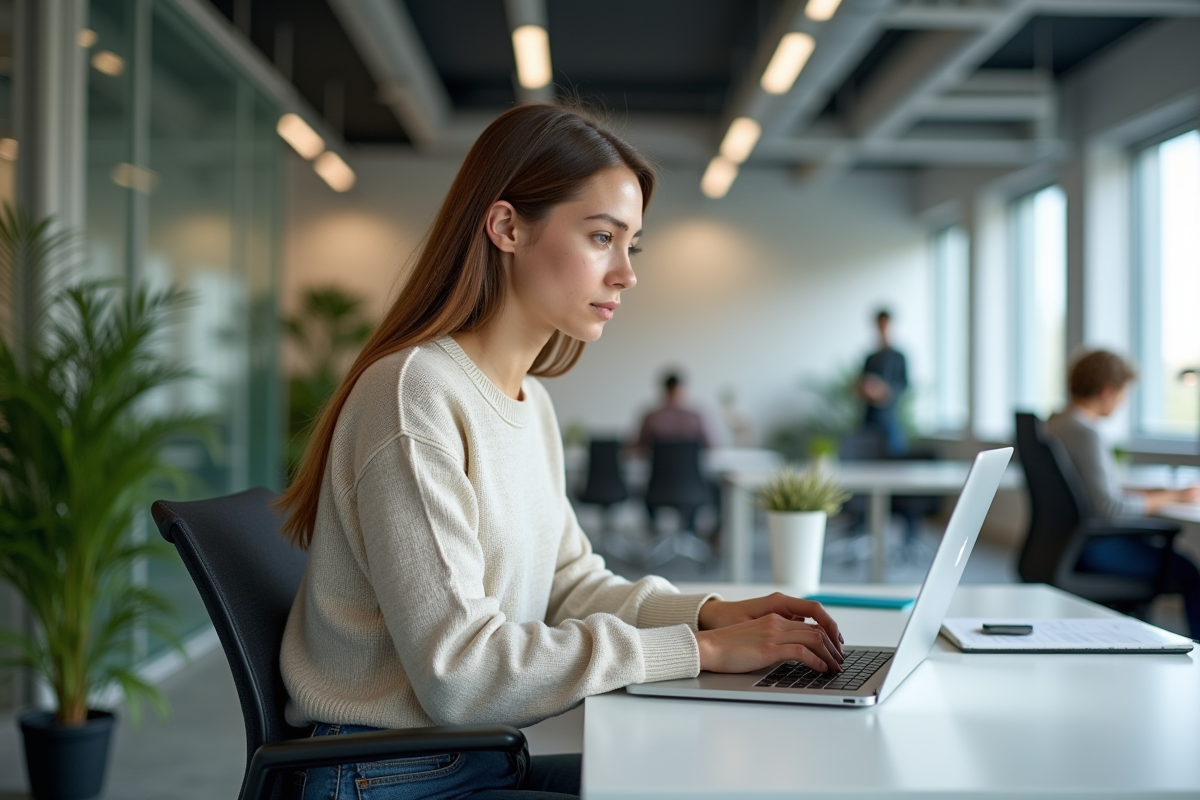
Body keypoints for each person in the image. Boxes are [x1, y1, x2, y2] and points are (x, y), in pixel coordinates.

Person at [276, 104, 845, 800]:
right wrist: (697, 652)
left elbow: (571, 587)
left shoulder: (528, 401)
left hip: (466, 756)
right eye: (602, 236)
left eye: (632, 244)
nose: (626, 274)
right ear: (507, 227)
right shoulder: (414, 394)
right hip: (386, 773)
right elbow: (462, 673)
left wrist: (709, 615)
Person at [1044, 349, 1200, 637]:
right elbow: (1110, 508)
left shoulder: (1055, 424)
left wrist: (1156, 492)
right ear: (1107, 391)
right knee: (1190, 572)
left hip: (1062, 543)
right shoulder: (1085, 433)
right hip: (1097, 547)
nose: (1124, 400)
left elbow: (1091, 488)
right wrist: (1172, 498)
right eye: (1123, 392)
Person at [857, 308, 908, 457]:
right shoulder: (870, 358)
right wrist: (865, 389)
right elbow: (860, 384)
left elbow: (904, 386)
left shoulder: (899, 357)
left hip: (890, 419)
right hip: (869, 419)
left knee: (894, 457)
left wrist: (884, 391)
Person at [634, 370, 712, 451]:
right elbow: (710, 446)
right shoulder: (695, 418)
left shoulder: (651, 418)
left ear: (665, 391)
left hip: (660, 463)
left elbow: (640, 447)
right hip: (689, 463)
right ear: (682, 391)